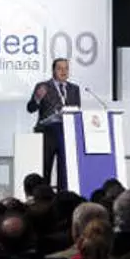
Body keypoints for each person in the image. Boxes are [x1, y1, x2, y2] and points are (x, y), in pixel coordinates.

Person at [27, 58, 81, 190]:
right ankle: (44, 196)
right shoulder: (43, 86)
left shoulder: (74, 89)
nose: (63, 71)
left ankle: (63, 196)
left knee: (65, 170)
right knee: (45, 168)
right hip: (47, 133)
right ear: (53, 71)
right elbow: (30, 108)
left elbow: (76, 110)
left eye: (66, 68)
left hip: (67, 133)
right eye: (60, 68)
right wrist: (37, 98)